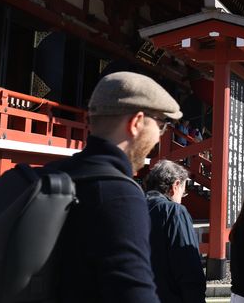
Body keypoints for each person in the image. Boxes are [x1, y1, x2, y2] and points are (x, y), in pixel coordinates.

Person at [51, 71, 182, 303]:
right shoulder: (121, 196)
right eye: (161, 125)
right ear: (137, 123)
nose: (159, 138)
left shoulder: (40, 177)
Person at [145, 160, 206, 303]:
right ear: (175, 185)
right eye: (183, 193)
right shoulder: (173, 211)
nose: (181, 200)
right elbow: (188, 266)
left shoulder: (133, 206)